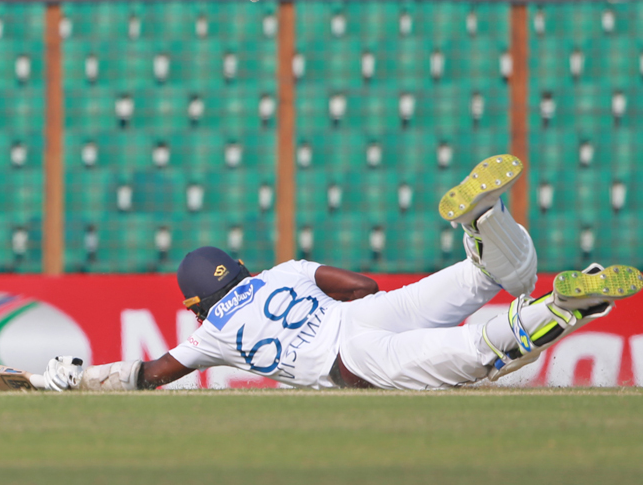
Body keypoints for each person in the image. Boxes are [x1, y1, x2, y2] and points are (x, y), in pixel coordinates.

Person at [38, 154, 641, 392]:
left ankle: (563, 307)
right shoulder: (282, 272)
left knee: (473, 355)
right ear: (240, 269)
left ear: (197, 302)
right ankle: (486, 221)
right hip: (363, 313)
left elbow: (149, 375)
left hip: (348, 360)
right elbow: (362, 286)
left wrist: (82, 380)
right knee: (480, 279)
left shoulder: (209, 334)